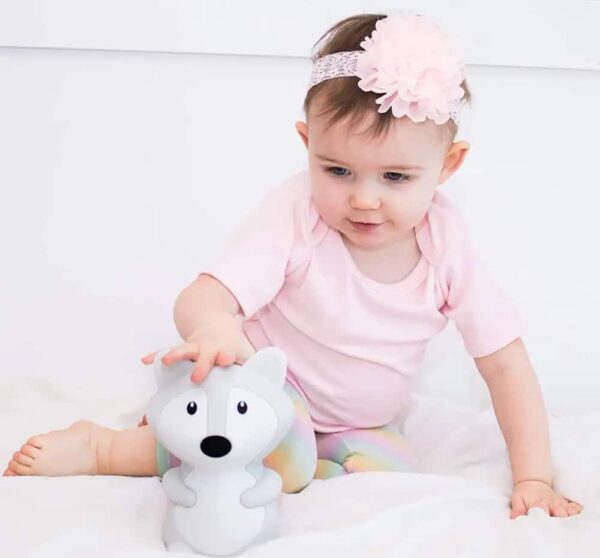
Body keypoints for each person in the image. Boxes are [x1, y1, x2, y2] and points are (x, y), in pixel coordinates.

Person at [3, 12, 583, 519]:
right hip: (261, 391)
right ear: (307, 144)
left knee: (392, 473)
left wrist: (533, 478)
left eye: (395, 177)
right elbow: (204, 295)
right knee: (260, 441)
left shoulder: (446, 245)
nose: (364, 199)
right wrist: (217, 330)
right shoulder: (298, 215)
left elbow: (506, 365)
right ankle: (106, 448)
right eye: (338, 171)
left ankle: (298, 465)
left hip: (360, 423)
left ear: (448, 166)